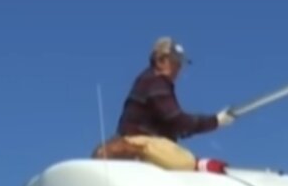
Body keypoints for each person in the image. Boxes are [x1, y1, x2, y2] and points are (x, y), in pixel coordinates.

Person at [92, 37, 234, 172]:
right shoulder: (156, 83)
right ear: (160, 61)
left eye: (180, 63)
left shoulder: (149, 80)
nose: (178, 68)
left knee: (175, 153)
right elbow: (177, 120)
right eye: (175, 62)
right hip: (139, 143)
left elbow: (175, 126)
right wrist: (216, 121)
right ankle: (199, 165)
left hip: (137, 141)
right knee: (185, 162)